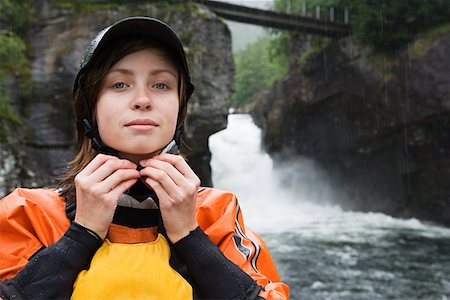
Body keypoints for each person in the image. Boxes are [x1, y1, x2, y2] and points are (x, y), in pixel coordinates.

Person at [0, 16, 289, 299]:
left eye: (161, 85)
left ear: (180, 109)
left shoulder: (219, 214)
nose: (142, 100)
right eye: (119, 85)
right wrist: (81, 234)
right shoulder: (26, 213)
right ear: (89, 108)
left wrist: (190, 236)